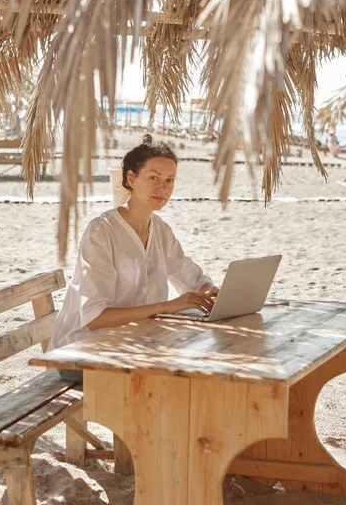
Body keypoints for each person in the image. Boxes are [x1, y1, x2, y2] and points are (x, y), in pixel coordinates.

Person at [50, 134, 219, 381]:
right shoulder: (102, 231)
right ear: (131, 179)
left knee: (199, 352)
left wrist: (212, 290)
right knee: (175, 373)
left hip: (135, 342)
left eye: (170, 180)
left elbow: (190, 276)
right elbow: (95, 317)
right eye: (154, 178)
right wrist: (167, 307)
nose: (163, 187)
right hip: (81, 351)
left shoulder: (160, 230)